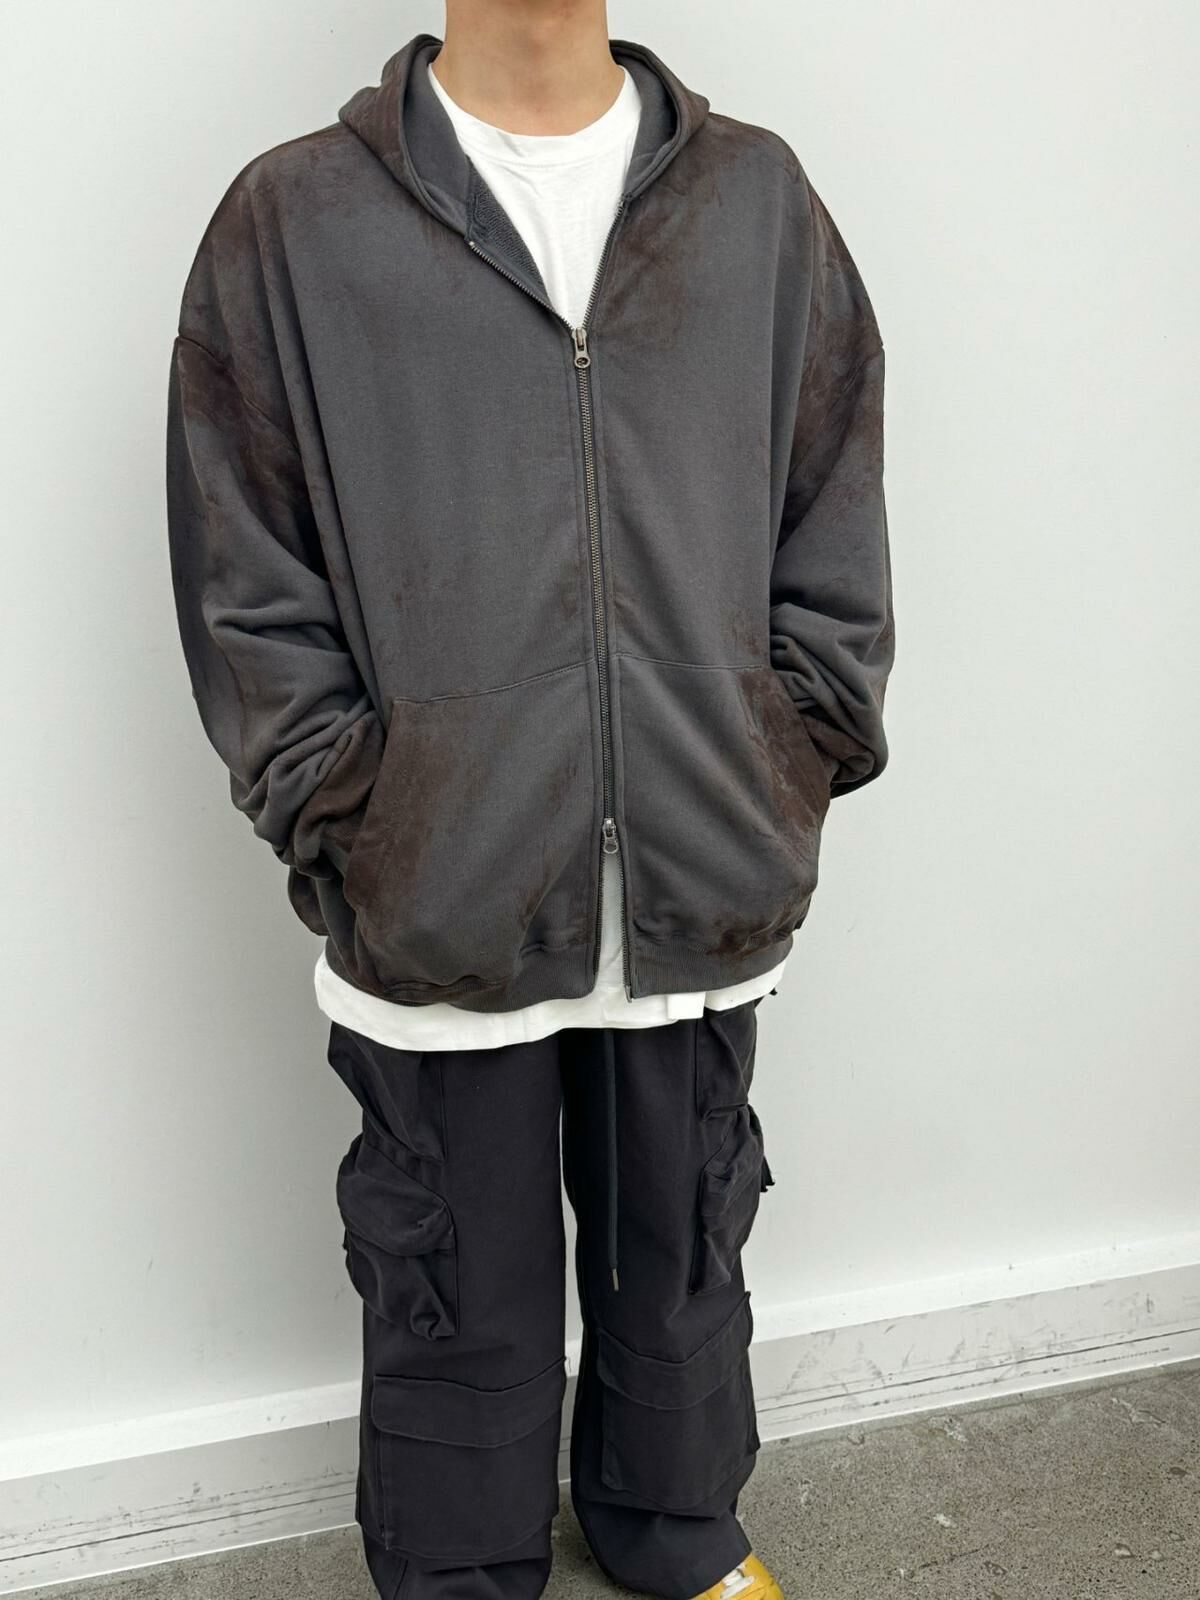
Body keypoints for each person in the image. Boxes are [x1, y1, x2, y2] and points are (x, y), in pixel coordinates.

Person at [165, 2, 893, 1597]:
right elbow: (245, 565)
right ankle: (458, 1568)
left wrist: (791, 751)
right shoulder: (296, 218)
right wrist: (351, 809)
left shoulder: (758, 201)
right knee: (450, 1275)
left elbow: (831, 497)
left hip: (699, 868)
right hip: (440, 888)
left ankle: (676, 1527)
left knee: (683, 1241)